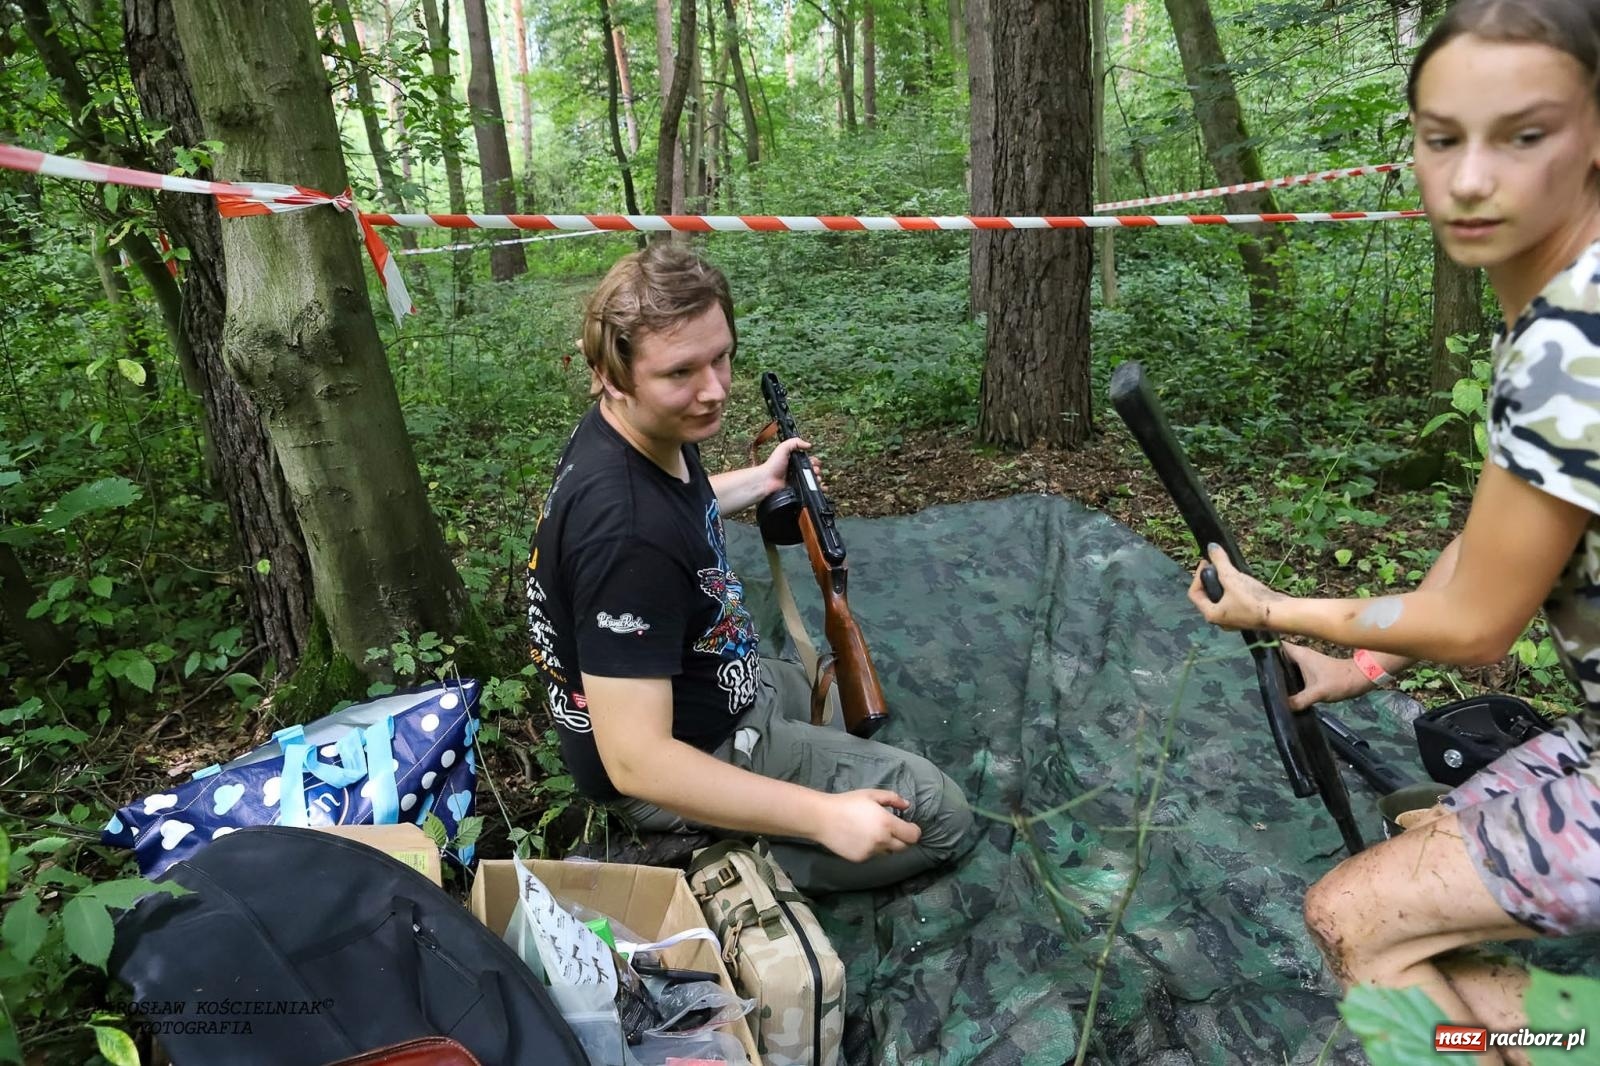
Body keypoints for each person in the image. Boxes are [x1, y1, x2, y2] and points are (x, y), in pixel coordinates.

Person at [1188, 0, 1600, 1047]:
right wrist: (1360, 661)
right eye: (1438, 137)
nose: (1467, 179)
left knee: (1351, 917)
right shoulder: (1561, 301)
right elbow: (1507, 535)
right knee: (1425, 819)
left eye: (1523, 134)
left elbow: (1475, 627)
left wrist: (1270, 606)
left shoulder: (1568, 341)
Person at [525, 243, 975, 895]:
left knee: (813, 682)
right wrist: (822, 818)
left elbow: (680, 501)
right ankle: (723, 858)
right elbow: (636, 760)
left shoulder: (636, 433)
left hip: (707, 686)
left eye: (721, 356)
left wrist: (760, 482)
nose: (714, 391)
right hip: (676, 754)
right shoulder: (625, 535)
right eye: (682, 373)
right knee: (937, 817)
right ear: (611, 374)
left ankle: (771, 782)